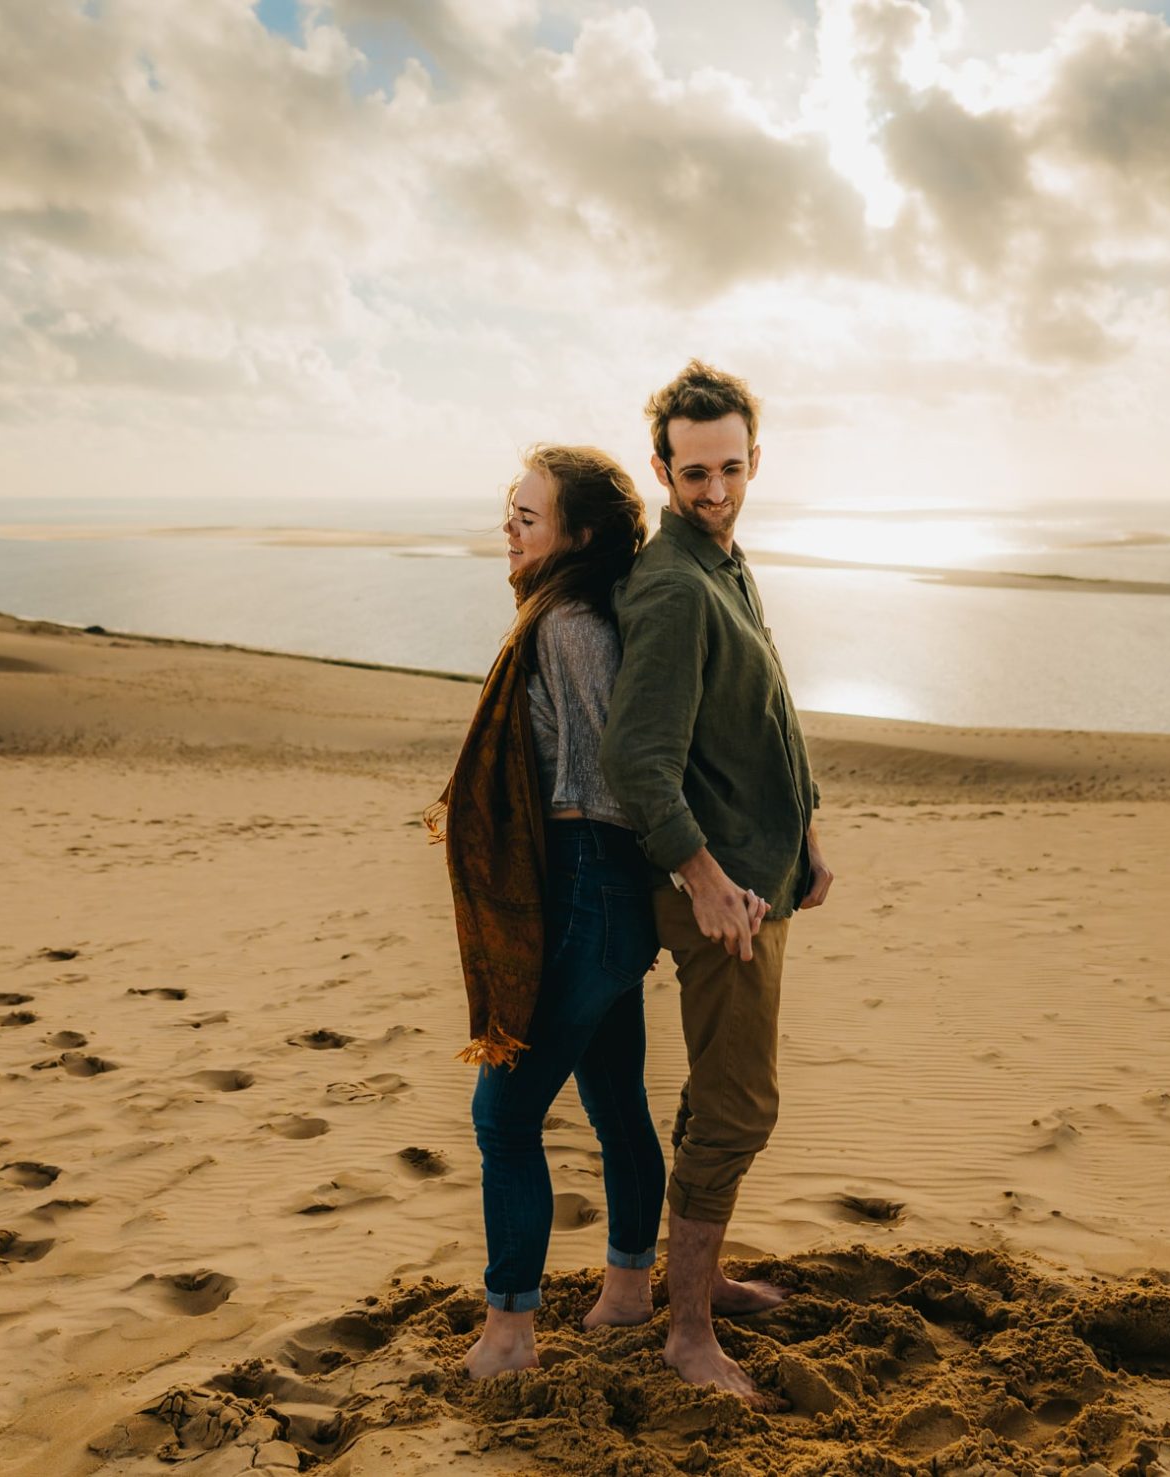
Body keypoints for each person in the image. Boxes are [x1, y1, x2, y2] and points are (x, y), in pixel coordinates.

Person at [601, 360, 833, 1409]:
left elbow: (767, 712)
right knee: (740, 1106)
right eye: (693, 472)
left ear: (753, 460)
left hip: (764, 876)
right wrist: (702, 877)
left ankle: (703, 1277)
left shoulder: (730, 565)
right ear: (660, 467)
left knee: (716, 1093)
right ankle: (685, 1329)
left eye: (732, 467)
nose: (715, 490)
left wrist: (811, 829)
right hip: (719, 894)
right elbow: (637, 759)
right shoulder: (673, 588)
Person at [427, 443, 667, 1379]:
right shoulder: (564, 613)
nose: (510, 532)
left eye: (529, 518)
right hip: (595, 891)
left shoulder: (567, 624)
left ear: (583, 535)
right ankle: (627, 1293)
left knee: (503, 1113)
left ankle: (510, 1333)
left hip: (588, 884)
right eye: (510, 516)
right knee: (615, 1107)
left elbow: (611, 779)